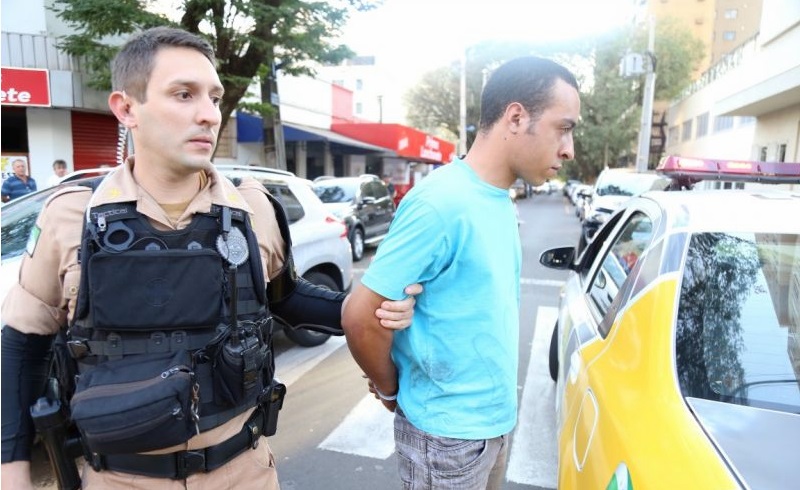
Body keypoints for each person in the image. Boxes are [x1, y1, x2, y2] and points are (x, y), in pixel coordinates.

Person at [0, 26, 420, 490]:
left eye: (215, 98)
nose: (208, 115)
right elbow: (22, 345)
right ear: (126, 109)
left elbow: (287, 299)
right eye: (183, 95)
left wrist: (370, 306)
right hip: (119, 479)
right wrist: (11, 469)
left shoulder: (253, 209)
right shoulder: (72, 215)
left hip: (245, 473)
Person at [341, 56, 580, 489]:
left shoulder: (498, 198)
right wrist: (393, 390)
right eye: (563, 128)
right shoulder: (441, 202)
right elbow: (361, 315)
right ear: (516, 117)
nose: (569, 150)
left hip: (494, 424)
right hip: (446, 438)